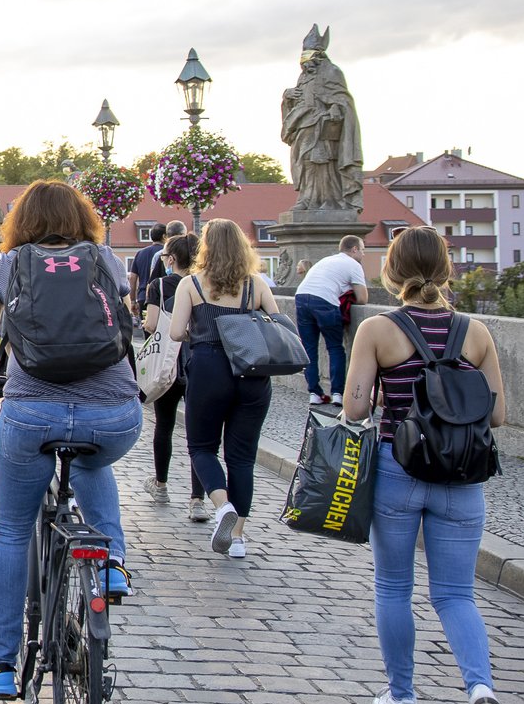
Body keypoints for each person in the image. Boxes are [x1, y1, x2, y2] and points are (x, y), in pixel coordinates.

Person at [0, 180, 141, 699]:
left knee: (11, 530)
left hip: (32, 413)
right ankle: (113, 565)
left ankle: (0, 667)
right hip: (116, 415)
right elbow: (125, 324)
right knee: (92, 458)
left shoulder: (11, 264)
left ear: (22, 223)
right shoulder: (105, 259)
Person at [338, 225, 509, 704]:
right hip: (462, 479)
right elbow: (498, 414)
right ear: (447, 269)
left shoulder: (380, 331)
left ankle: (403, 697)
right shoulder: (475, 332)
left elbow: (355, 408)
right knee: (457, 595)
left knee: (393, 585)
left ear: (390, 272)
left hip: (399, 470)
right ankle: (481, 692)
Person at [165, 218, 278, 560]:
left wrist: (202, 334)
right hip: (251, 372)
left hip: (209, 368)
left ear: (207, 248)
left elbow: (175, 332)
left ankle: (221, 504)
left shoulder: (191, 285)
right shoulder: (255, 285)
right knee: (242, 457)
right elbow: (277, 325)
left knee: (201, 447)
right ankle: (239, 538)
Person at [140, 232, 204, 512]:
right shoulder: (204, 284)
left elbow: (152, 324)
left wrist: (147, 323)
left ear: (173, 259)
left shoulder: (160, 286)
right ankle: (197, 499)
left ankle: (162, 485)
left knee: (164, 426)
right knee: (199, 434)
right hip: (198, 364)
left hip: (168, 364)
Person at [295, 235, 369, 405]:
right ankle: (337, 393)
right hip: (324, 301)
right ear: (354, 249)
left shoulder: (326, 260)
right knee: (335, 347)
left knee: (309, 349)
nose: (363, 254)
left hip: (301, 297)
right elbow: (363, 298)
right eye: (363, 250)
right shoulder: (353, 265)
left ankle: (314, 394)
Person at [129, 224, 166, 314]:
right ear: (164, 236)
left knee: (146, 326)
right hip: (162, 296)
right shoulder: (166, 253)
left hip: (143, 296)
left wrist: (133, 300)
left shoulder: (140, 253)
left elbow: (132, 278)